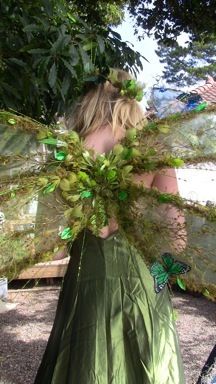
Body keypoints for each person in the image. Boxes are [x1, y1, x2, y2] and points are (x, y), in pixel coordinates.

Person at [34, 69, 186, 384]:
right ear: (134, 101)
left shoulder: (68, 153)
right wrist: (159, 281)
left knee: (84, 365)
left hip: (86, 283)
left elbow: (51, 242)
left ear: (88, 102)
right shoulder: (154, 149)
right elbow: (177, 239)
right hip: (143, 283)